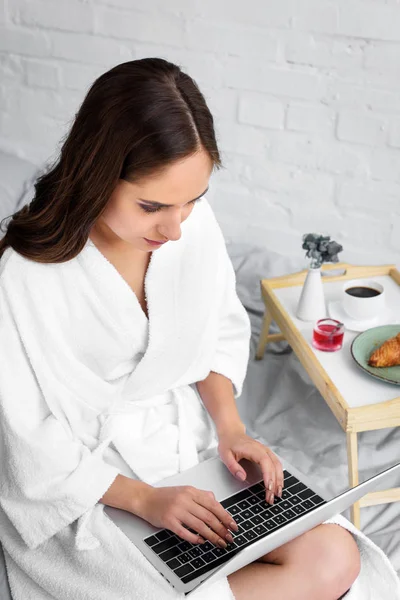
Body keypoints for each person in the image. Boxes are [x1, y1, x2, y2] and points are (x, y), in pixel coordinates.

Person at [0, 58, 360, 600]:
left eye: (193, 200)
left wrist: (231, 429)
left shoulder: (189, 226)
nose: (175, 227)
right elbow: (30, 444)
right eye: (152, 206)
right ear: (99, 173)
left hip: (190, 450)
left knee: (337, 556)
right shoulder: (26, 277)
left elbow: (217, 330)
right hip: (88, 484)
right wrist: (143, 499)